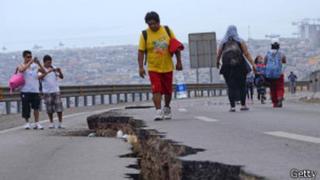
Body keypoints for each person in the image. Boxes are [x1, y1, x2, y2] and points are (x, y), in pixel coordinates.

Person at [138, 11, 183, 121]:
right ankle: (158, 110)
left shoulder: (167, 30)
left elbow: (175, 46)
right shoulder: (145, 34)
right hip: (153, 67)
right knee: (156, 89)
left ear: (159, 22)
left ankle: (167, 107)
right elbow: (141, 51)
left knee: (168, 90)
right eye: (150, 24)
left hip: (167, 66)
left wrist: (179, 61)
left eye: (154, 23)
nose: (152, 26)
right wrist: (141, 67)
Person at [216, 25, 256, 112]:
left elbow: (219, 54)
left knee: (230, 86)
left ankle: (232, 106)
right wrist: (253, 64)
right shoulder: (240, 41)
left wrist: (217, 63)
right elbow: (246, 53)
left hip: (227, 67)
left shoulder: (223, 42)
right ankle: (243, 105)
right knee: (242, 85)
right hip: (240, 66)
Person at [18, 50, 45, 130]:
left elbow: (44, 71)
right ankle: (27, 123)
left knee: (36, 107)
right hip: (25, 90)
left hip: (35, 90)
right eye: (28, 57)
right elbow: (21, 70)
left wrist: (38, 63)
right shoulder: (21, 65)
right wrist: (29, 63)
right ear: (24, 57)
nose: (30, 58)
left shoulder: (35, 66)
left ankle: (37, 123)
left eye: (30, 57)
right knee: (26, 108)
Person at [38, 55, 64, 129]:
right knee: (49, 109)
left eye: (50, 62)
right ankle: (51, 123)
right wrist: (48, 72)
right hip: (47, 91)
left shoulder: (54, 67)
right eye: (48, 63)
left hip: (56, 90)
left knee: (59, 108)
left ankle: (60, 123)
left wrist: (59, 71)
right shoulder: (41, 69)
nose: (50, 64)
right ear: (44, 62)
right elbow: (39, 77)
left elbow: (61, 77)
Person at [264, 42, 286, 108]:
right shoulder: (281, 54)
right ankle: (279, 98)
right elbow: (284, 62)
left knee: (272, 88)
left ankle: (275, 103)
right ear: (278, 47)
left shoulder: (268, 54)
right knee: (280, 87)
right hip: (279, 73)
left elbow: (265, 63)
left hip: (270, 74)